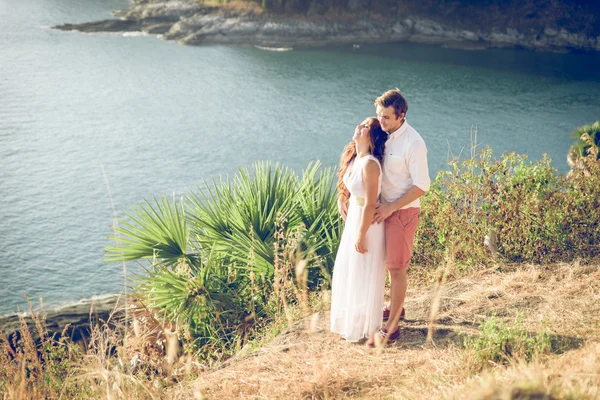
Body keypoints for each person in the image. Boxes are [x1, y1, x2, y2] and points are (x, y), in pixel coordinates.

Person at [372, 89, 431, 343]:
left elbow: (422, 186)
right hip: (384, 211)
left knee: (397, 269)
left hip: (402, 212)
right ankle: (397, 308)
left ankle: (393, 328)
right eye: (379, 116)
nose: (381, 122)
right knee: (387, 264)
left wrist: (390, 207)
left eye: (386, 117)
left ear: (401, 116)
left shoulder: (414, 143)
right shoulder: (385, 134)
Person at [330, 117, 388, 342]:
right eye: (360, 124)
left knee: (363, 267)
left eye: (365, 127)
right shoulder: (356, 159)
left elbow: (371, 202)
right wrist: (341, 198)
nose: (359, 127)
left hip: (367, 223)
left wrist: (361, 234)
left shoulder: (370, 164)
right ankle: (352, 320)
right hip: (354, 217)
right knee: (349, 267)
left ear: (372, 137)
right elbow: (348, 185)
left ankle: (366, 326)